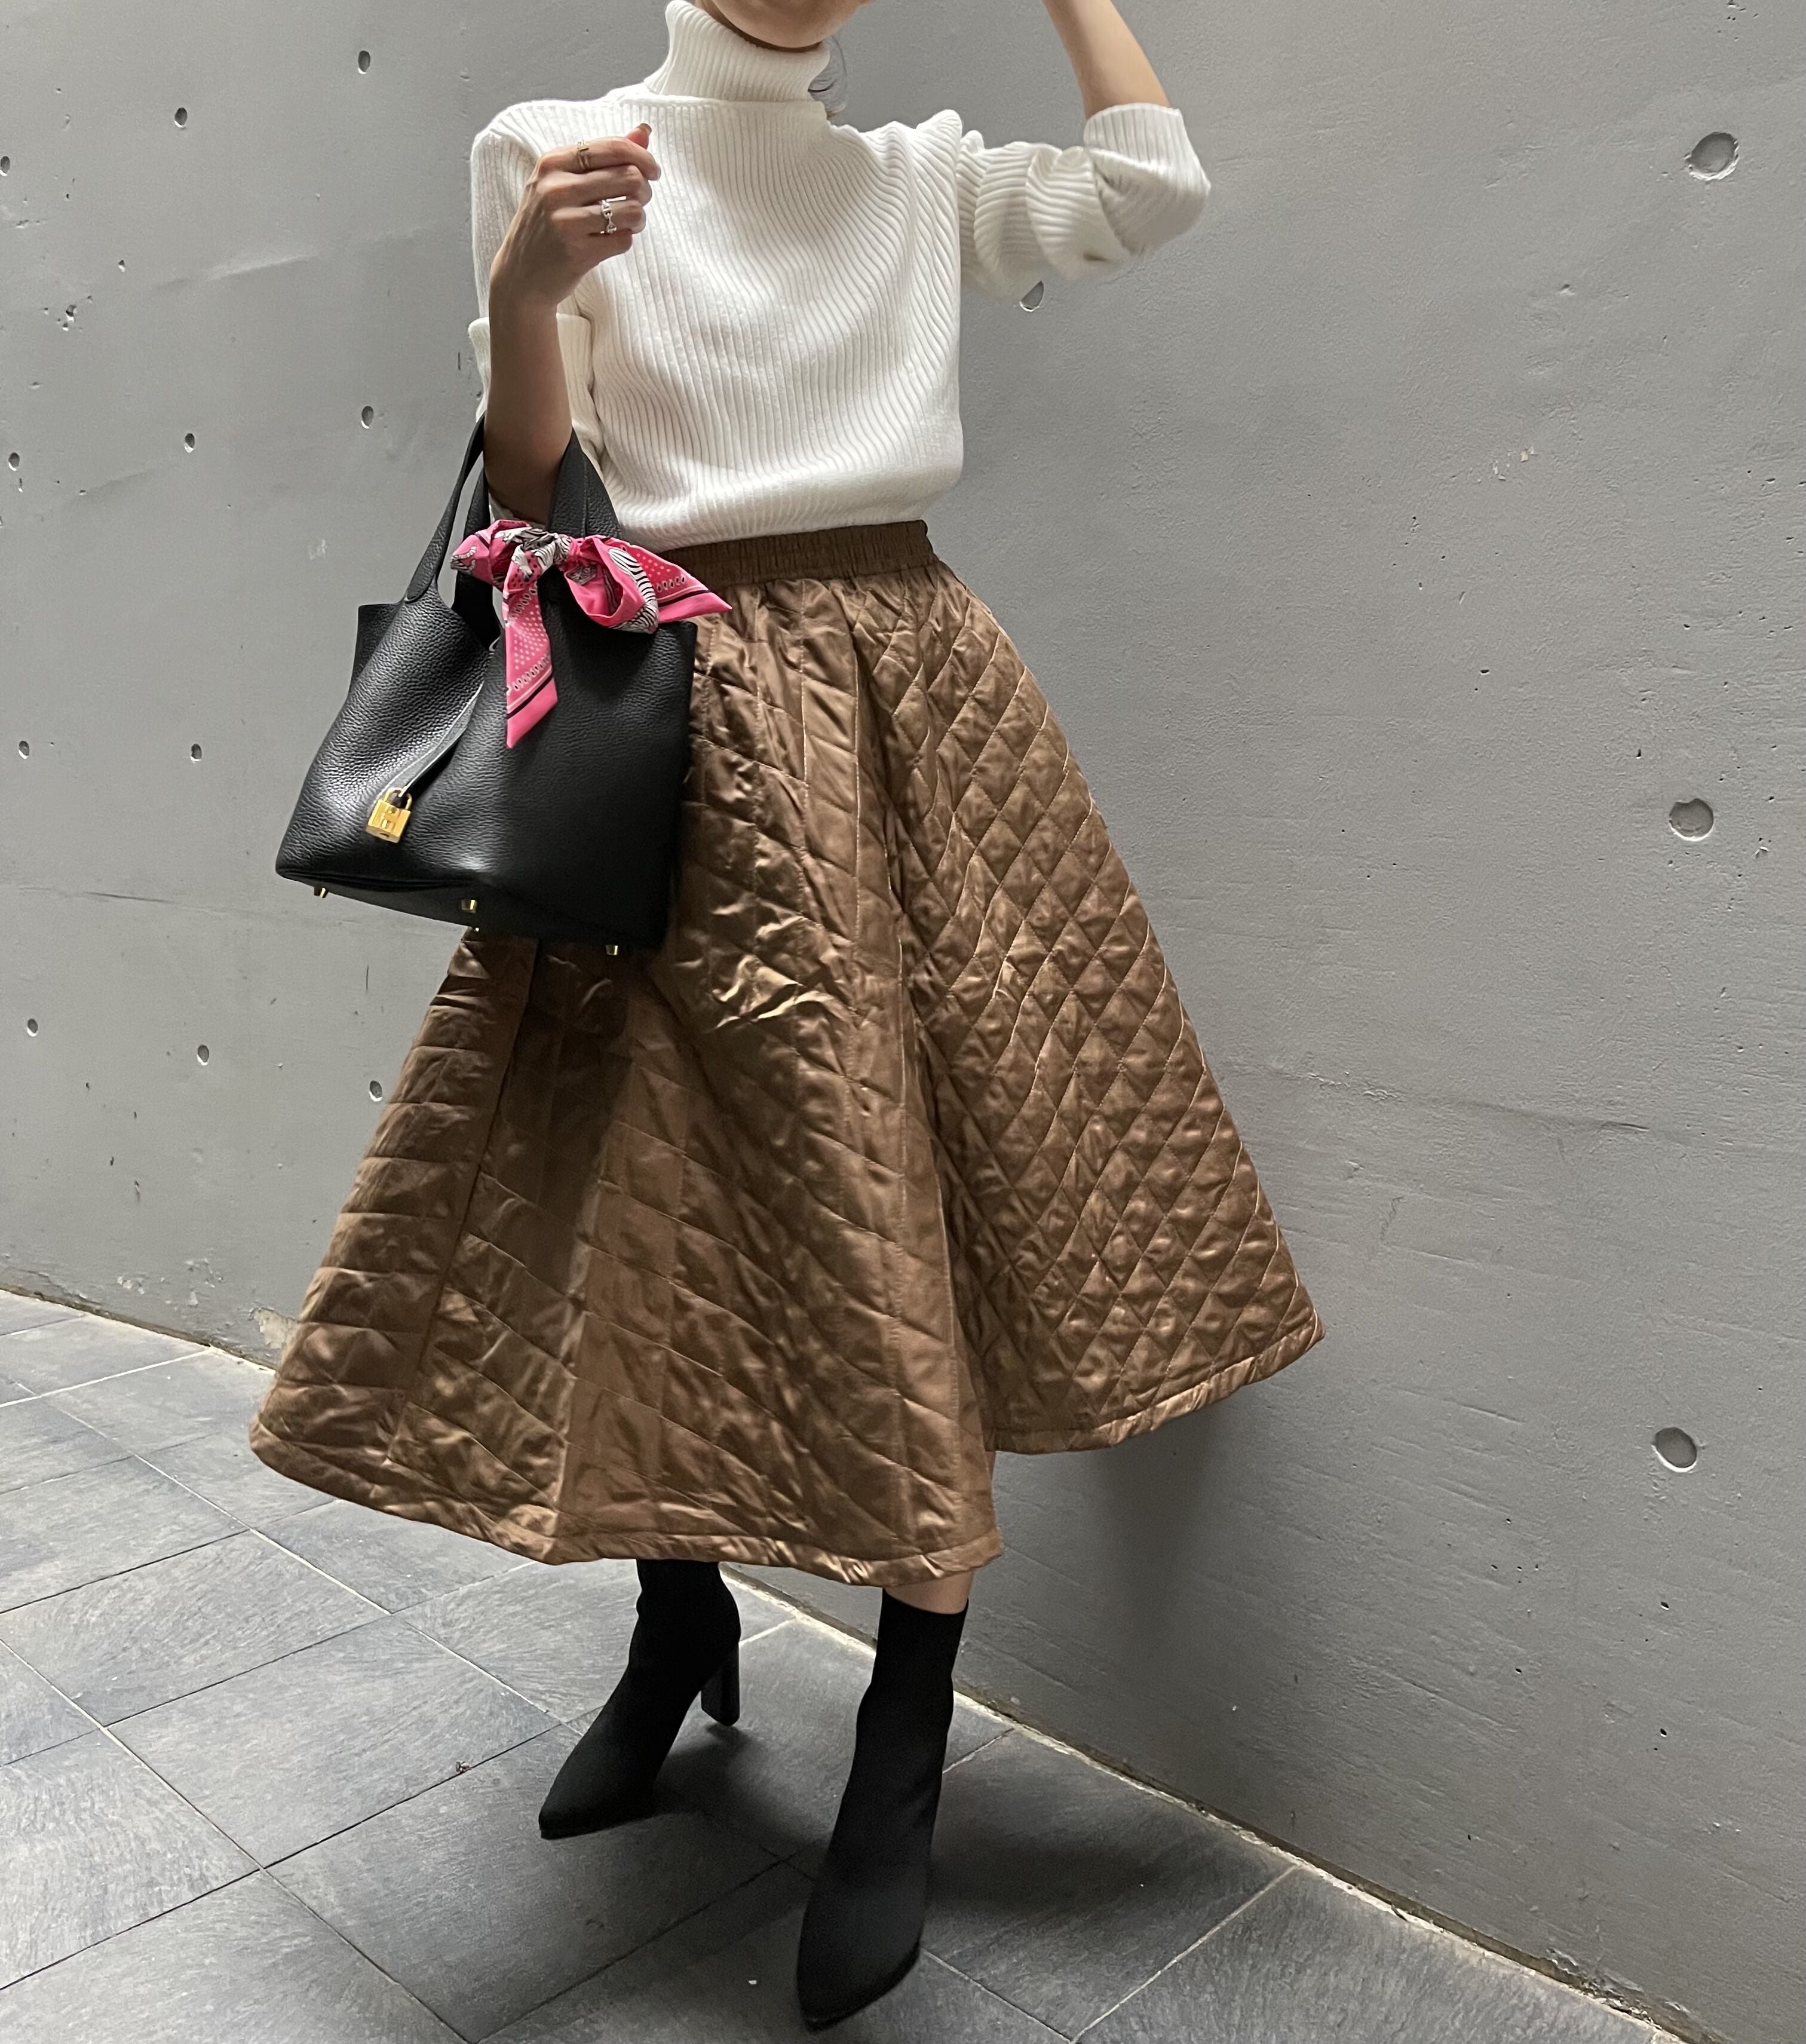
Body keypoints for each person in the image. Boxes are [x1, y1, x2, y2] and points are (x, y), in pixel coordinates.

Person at [250, 0, 1324, 2025]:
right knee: (651, 1193)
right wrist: (527, 288)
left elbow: (1155, 188)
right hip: (668, 717)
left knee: (910, 1192)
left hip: (920, 712)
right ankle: (681, 1629)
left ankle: (902, 1742)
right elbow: (538, 489)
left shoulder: (912, 178)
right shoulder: (552, 144)